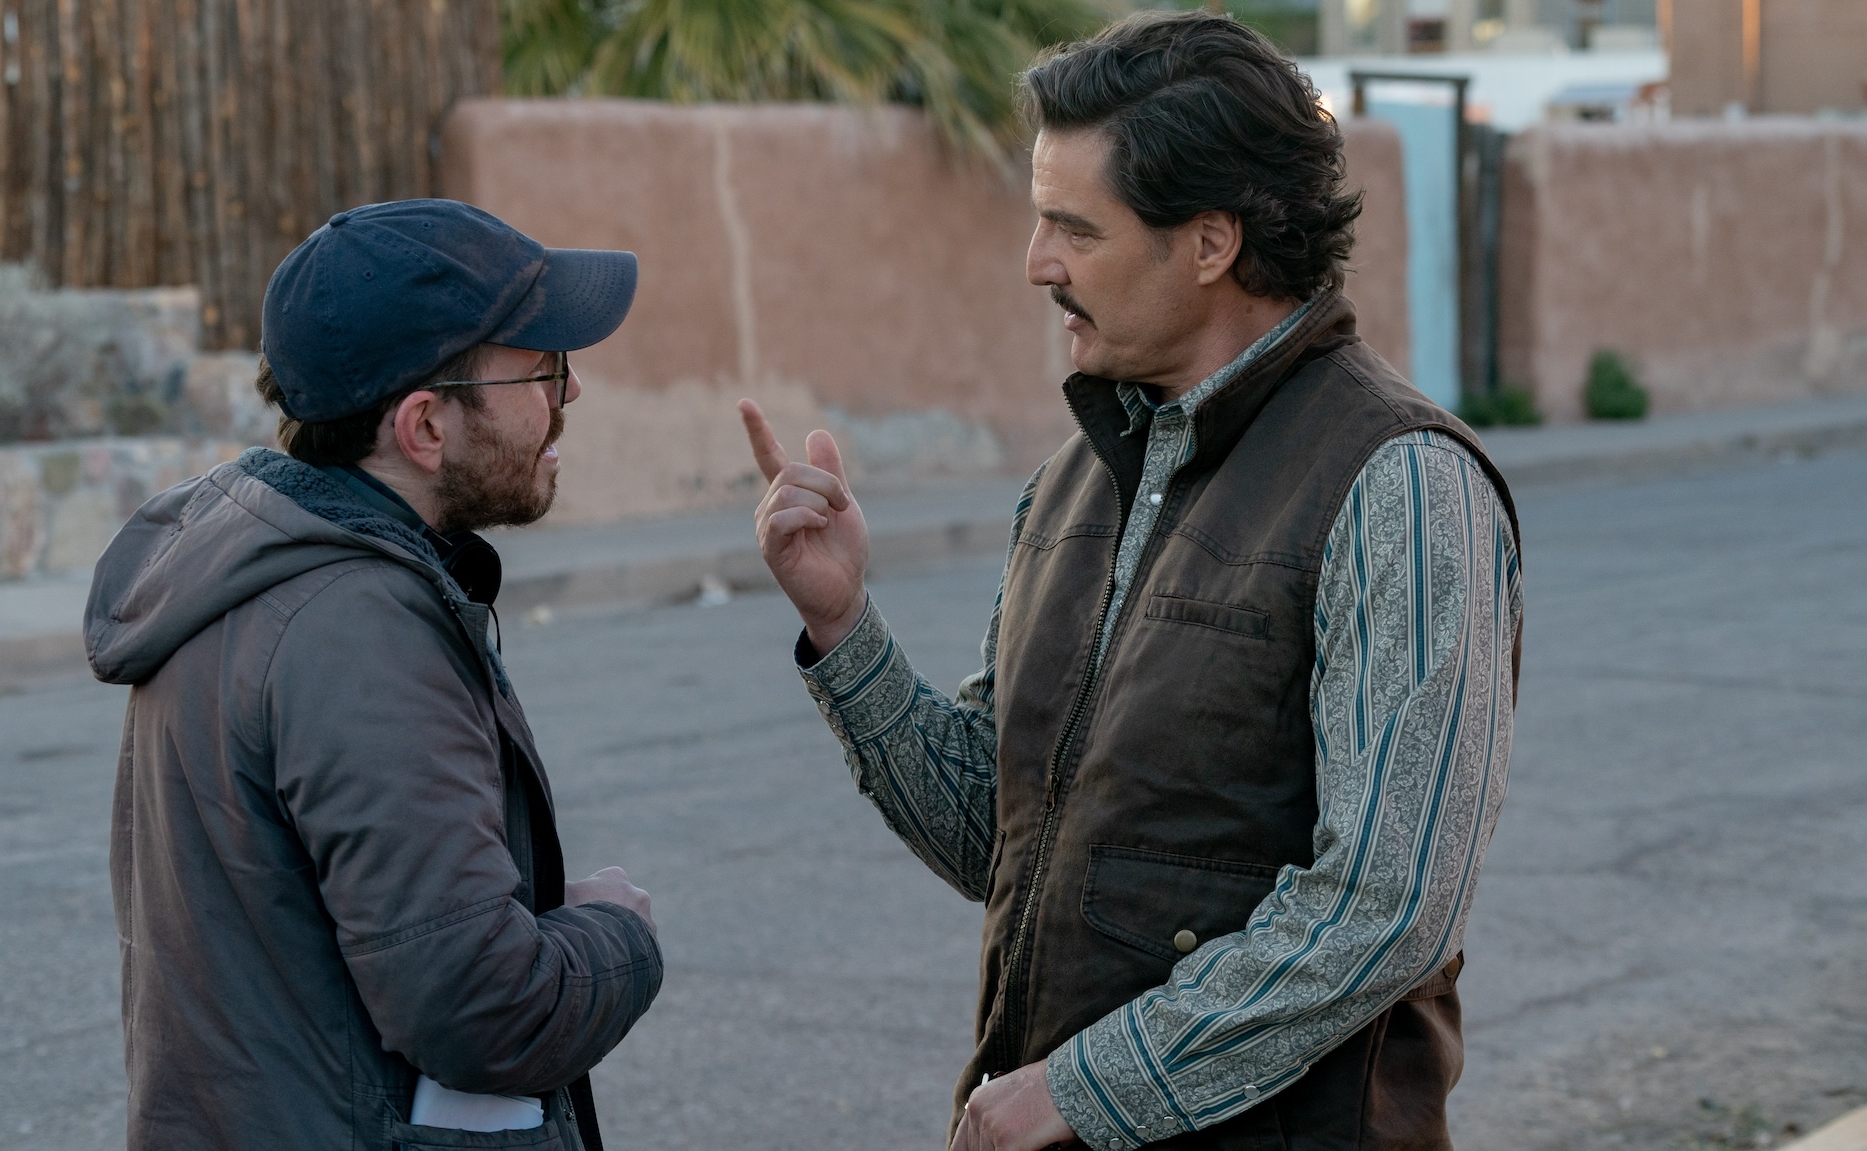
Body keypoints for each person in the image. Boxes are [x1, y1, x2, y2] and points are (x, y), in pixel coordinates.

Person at [740, 13, 1522, 1150]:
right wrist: (841, 622)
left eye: (1072, 228)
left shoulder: (1399, 483)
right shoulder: (1076, 477)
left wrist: (1086, 1085)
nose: (1036, 264)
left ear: (1208, 243)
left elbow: (1387, 904)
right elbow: (993, 836)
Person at [85, 199, 661, 1151]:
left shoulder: (270, 575)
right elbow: (481, 1007)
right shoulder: (355, 630)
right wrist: (617, 935)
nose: (567, 398)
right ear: (425, 426)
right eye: (542, 370)